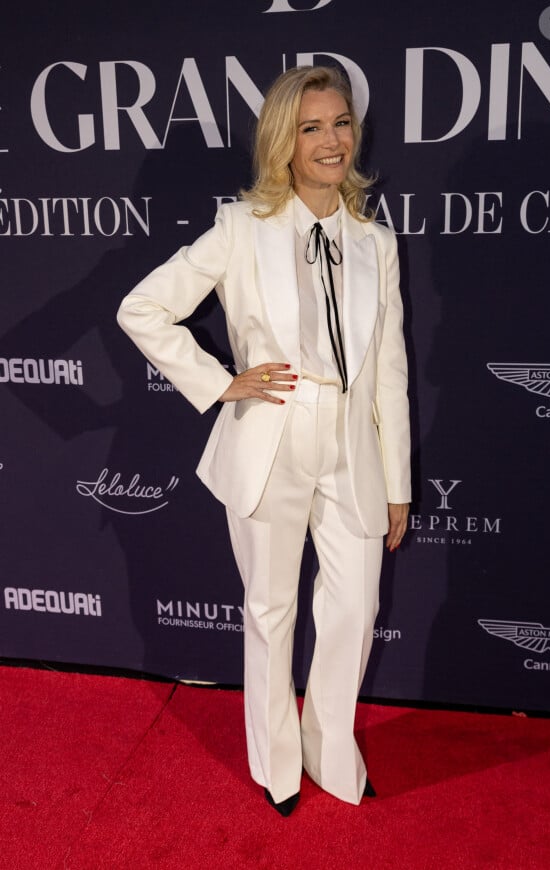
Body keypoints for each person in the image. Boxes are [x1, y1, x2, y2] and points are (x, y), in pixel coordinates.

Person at [117, 65, 411, 817]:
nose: (332, 140)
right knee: (271, 610)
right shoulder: (241, 230)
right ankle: (278, 765)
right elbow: (142, 309)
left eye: (341, 123)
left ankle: (331, 754)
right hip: (269, 440)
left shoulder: (376, 242)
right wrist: (220, 383)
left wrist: (398, 481)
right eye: (312, 127)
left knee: (353, 609)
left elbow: (389, 372)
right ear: (283, 140)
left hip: (351, 447)